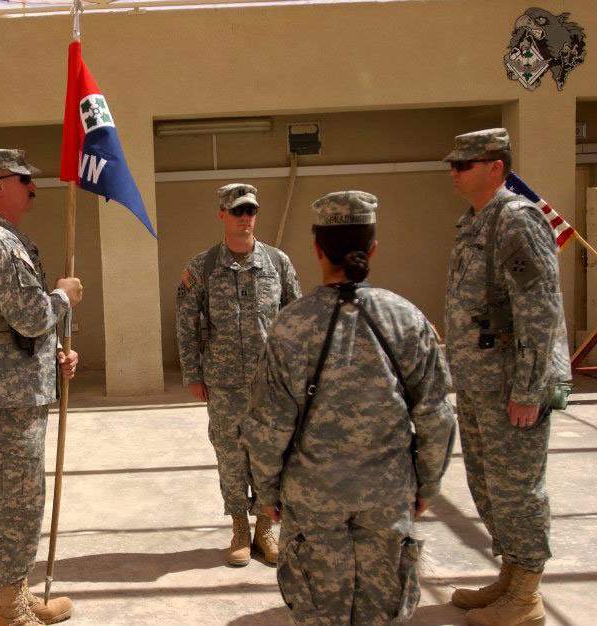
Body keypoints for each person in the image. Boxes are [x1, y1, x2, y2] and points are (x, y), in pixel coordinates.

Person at [242, 190, 456, 625]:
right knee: (384, 610)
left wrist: (267, 492)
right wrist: (427, 486)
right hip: (388, 495)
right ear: (373, 248)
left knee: (318, 610)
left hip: (312, 498)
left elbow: (267, 426)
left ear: (317, 249)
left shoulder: (290, 326)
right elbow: (436, 415)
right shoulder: (407, 319)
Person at [443, 128, 570, 626]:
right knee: (489, 485)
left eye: (465, 164)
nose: (454, 172)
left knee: (518, 490)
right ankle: (512, 575)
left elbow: (539, 311)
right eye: (453, 164)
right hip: (480, 385)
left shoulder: (517, 220)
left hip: (512, 387)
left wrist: (529, 390)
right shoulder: (474, 222)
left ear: (496, 166)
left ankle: (527, 596)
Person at [0, 148, 83, 626]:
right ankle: (10, 608)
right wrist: (63, 296)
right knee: (15, 502)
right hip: (4, 399)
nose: (33, 188)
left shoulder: (5, 240)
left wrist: (53, 356)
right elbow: (30, 316)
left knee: (21, 498)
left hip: (13, 392)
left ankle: (18, 593)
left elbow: (15, 327)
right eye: (23, 180)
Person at [175, 183, 301, 567]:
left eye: (250, 211)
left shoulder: (277, 262)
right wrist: (193, 374)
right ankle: (240, 530)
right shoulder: (204, 266)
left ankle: (264, 528)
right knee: (230, 455)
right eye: (237, 211)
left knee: (268, 454)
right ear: (222, 215)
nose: (245, 218)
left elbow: (296, 319)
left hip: (269, 382)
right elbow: (186, 323)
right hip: (223, 381)